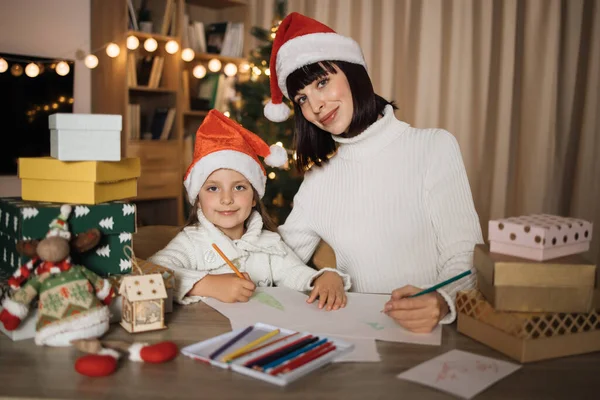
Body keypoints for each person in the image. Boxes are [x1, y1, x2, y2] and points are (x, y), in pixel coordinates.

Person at [264, 12, 484, 333]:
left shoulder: (434, 146)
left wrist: (441, 300)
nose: (316, 106)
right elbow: (275, 260)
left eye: (322, 82)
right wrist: (323, 275)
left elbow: (464, 253)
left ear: (353, 73)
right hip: (359, 336)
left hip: (433, 332)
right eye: (302, 99)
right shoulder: (318, 179)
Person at [148, 109, 351, 310]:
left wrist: (324, 277)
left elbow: (294, 273)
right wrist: (205, 284)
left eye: (239, 187)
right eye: (213, 188)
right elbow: (151, 273)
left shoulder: (269, 244)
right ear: (198, 200)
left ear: (254, 197)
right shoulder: (190, 243)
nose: (226, 199)